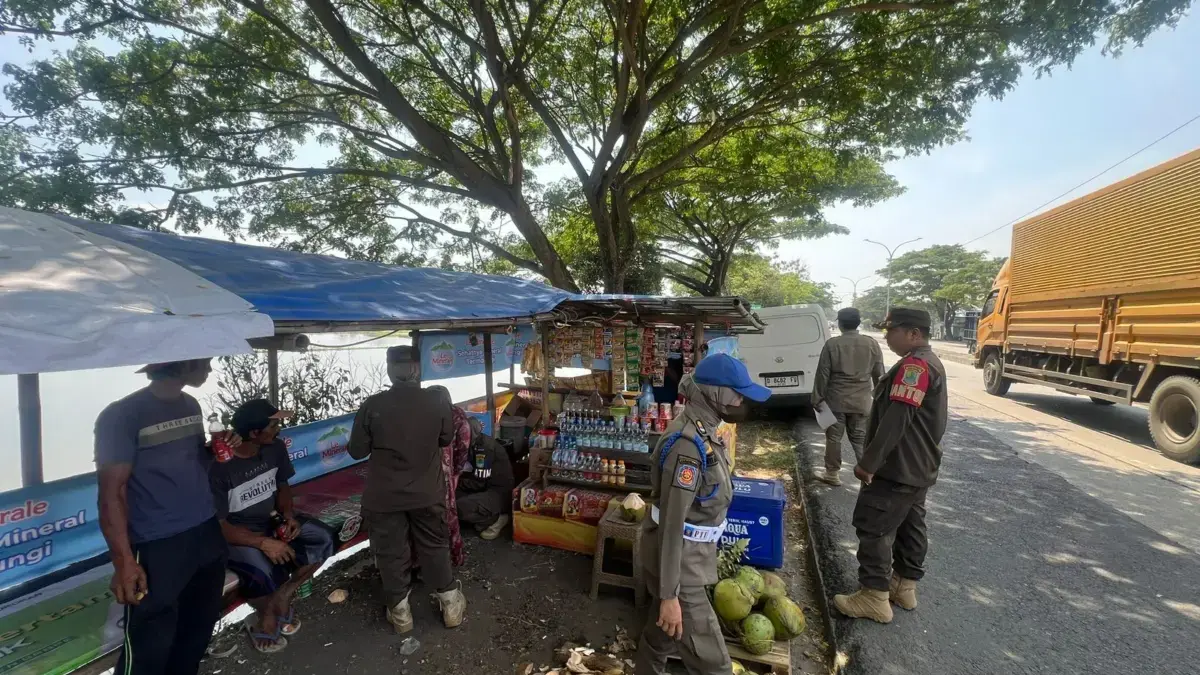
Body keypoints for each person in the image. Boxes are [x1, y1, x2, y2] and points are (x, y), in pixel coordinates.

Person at [636, 354, 771, 675]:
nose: (741, 399)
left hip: (693, 558)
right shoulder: (687, 446)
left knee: (662, 637)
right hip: (680, 568)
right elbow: (671, 524)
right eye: (736, 392)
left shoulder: (704, 433)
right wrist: (671, 595)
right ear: (715, 394)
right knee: (714, 664)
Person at [94, 358, 229, 675]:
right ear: (181, 365)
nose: (209, 370)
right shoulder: (122, 415)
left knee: (195, 632)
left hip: (206, 532)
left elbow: (195, 462)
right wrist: (124, 562)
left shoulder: (191, 405)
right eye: (203, 363)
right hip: (158, 543)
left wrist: (215, 451)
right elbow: (111, 493)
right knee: (149, 646)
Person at [833, 308, 947, 624]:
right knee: (910, 524)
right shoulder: (928, 362)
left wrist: (869, 463)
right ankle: (903, 586)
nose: (887, 336)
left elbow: (897, 420)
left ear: (913, 333)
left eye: (891, 330)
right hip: (918, 467)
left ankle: (874, 595)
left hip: (898, 466)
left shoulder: (916, 367)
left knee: (873, 525)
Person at [348, 345, 465, 634]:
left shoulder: (372, 406)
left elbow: (356, 451)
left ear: (390, 370)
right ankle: (451, 605)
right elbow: (445, 438)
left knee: (391, 552)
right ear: (418, 369)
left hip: (384, 496)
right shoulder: (437, 402)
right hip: (426, 492)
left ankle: (401, 614)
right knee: (434, 546)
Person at [209, 399, 335, 653]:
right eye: (274, 424)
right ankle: (264, 617)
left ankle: (281, 598)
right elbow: (219, 526)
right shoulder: (219, 468)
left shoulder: (275, 448)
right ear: (255, 433)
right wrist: (265, 543)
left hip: (272, 519)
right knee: (262, 569)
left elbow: (283, 486)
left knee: (324, 538)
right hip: (237, 534)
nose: (279, 428)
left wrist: (288, 516)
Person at [810, 307, 886, 486]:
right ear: (858, 323)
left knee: (834, 438)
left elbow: (823, 374)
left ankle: (832, 474)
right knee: (860, 438)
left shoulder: (832, 345)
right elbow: (880, 375)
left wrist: (817, 398)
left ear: (840, 323)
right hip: (862, 402)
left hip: (836, 400)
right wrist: (877, 398)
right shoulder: (872, 344)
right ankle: (869, 475)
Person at [426, 384, 472, 567]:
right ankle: (453, 558)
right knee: (448, 515)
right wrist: (456, 470)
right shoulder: (456, 415)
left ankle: (423, 564)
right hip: (444, 474)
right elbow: (464, 444)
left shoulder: (419, 416)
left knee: (424, 519)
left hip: (420, 475)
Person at [456, 417, 515, 540]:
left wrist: (456, 481)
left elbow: (479, 482)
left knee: (458, 506)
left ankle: (498, 517)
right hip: (485, 487)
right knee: (450, 498)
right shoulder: (474, 443)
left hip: (498, 493)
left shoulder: (484, 449)